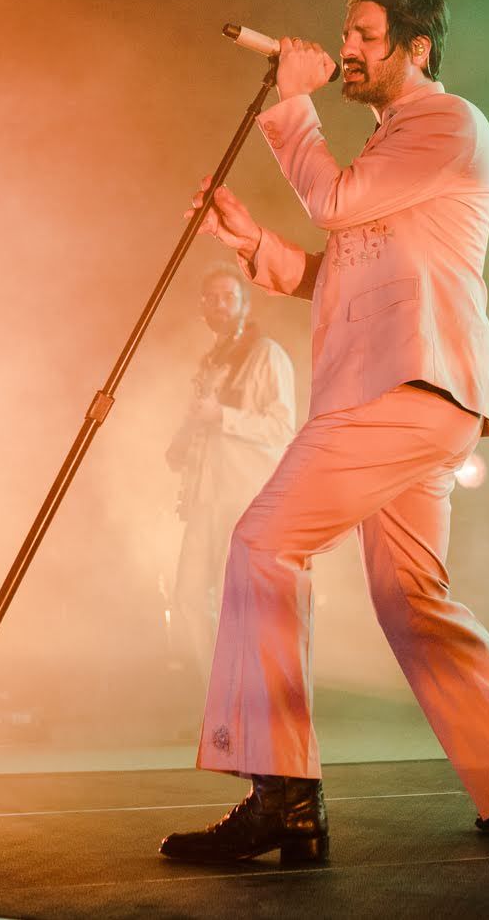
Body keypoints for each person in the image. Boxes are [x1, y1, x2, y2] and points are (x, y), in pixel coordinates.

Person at [159, 0, 489, 865]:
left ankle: (283, 794)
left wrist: (291, 104)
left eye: (365, 34)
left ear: (417, 47)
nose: (347, 49)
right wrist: (251, 244)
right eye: (346, 33)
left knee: (262, 543)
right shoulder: (392, 149)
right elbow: (342, 270)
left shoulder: (447, 124)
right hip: (407, 394)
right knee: (411, 600)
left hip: (407, 388)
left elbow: (333, 201)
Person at [164, 267, 296, 675]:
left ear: (244, 305)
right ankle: (215, 688)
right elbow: (204, 424)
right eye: (212, 298)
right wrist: (183, 446)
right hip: (206, 495)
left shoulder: (267, 354)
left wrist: (222, 415)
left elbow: (282, 428)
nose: (220, 305)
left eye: (228, 297)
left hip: (245, 495)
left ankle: (244, 689)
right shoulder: (210, 362)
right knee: (188, 594)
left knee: (234, 597)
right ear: (203, 307)